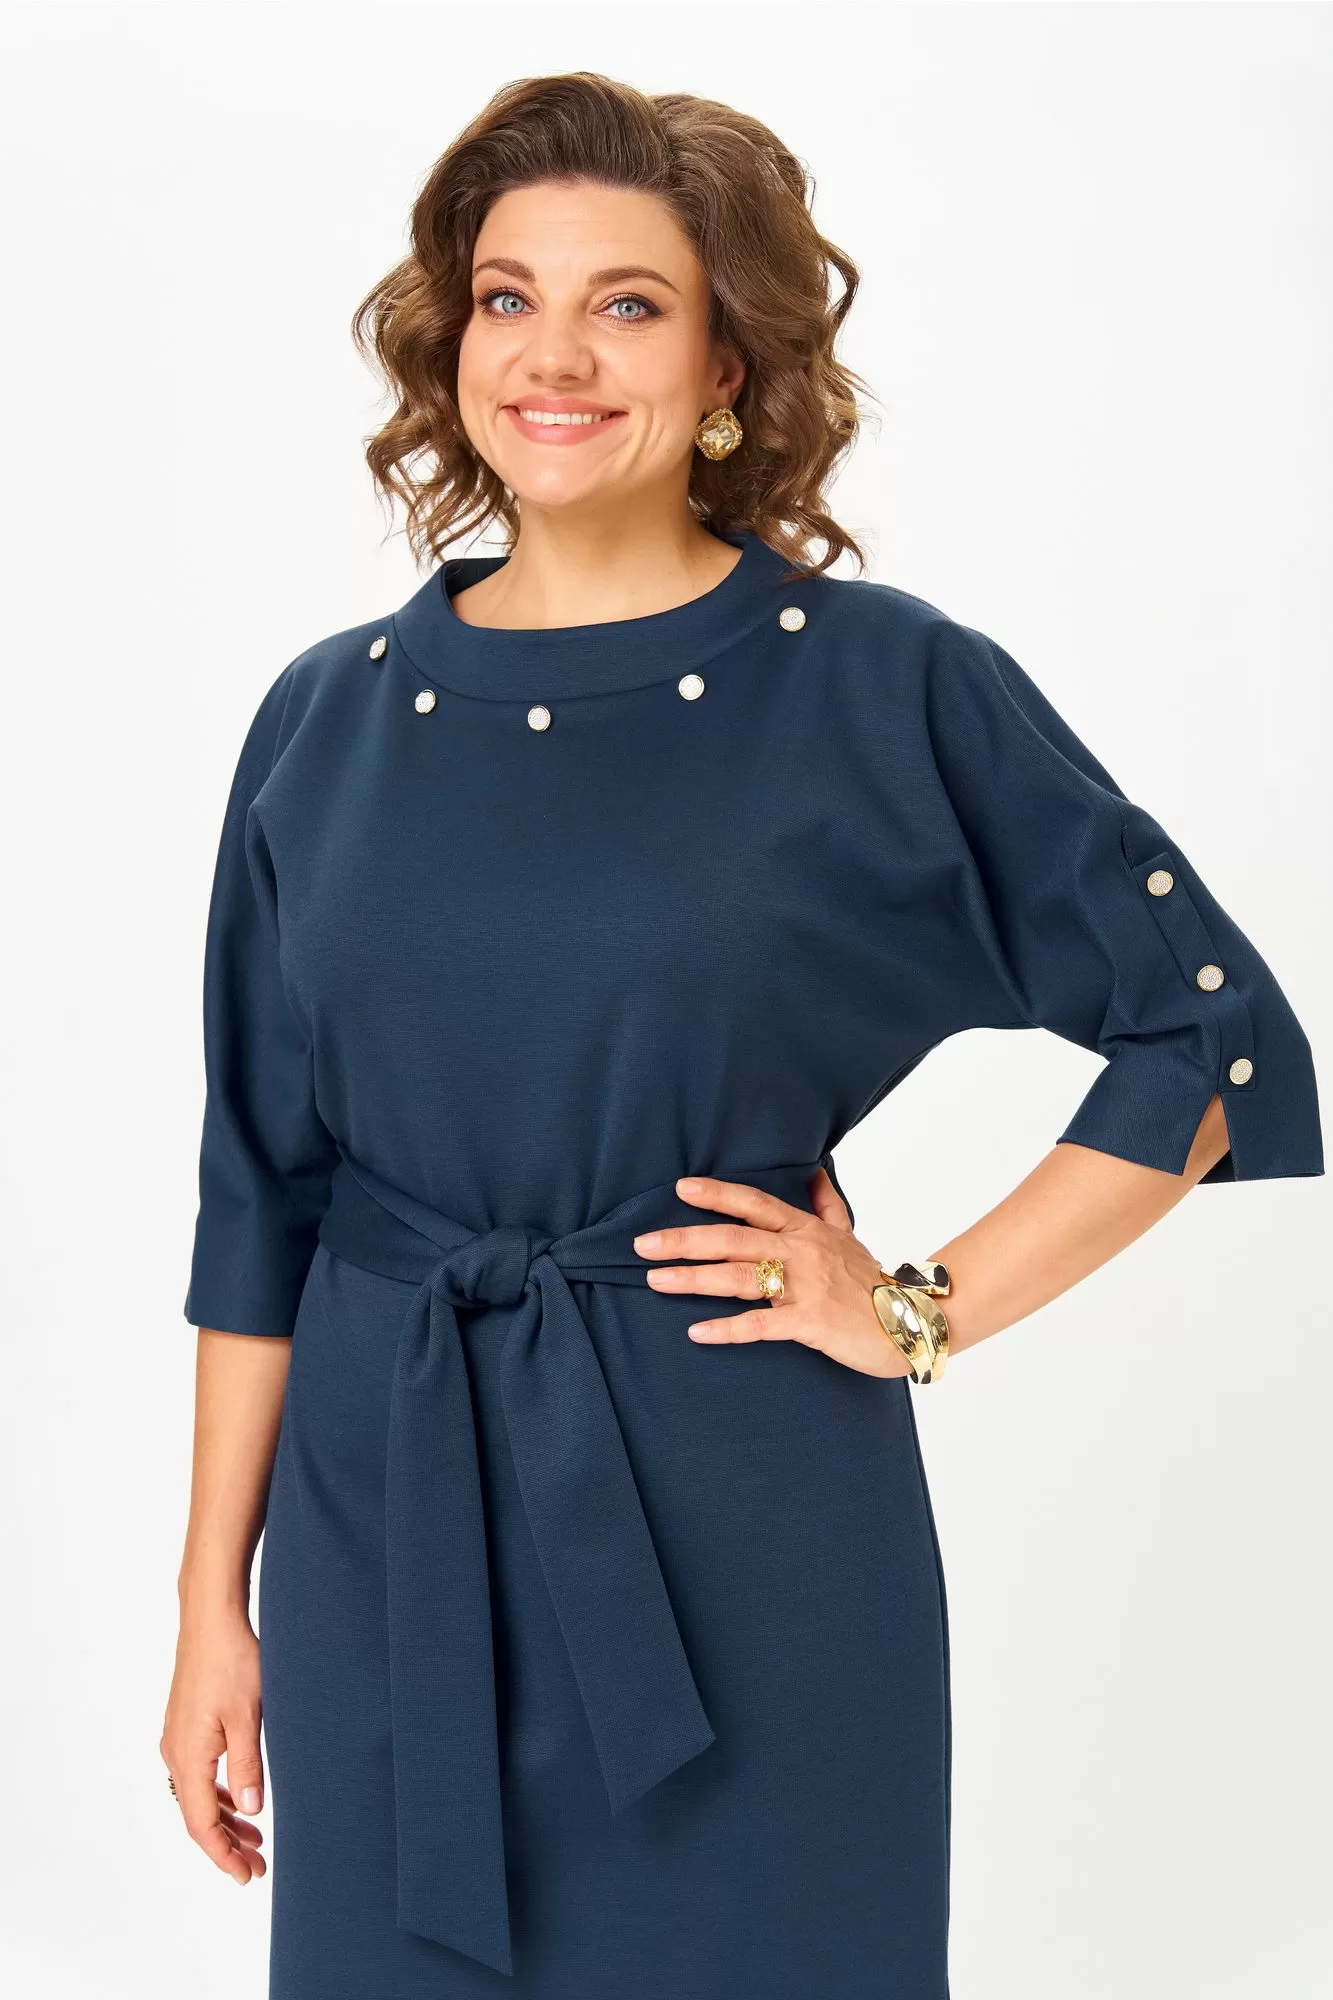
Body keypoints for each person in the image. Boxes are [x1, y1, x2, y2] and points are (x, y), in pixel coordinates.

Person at [161, 71, 1324, 2000]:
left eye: (626, 303)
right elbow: (258, 1194)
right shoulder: (326, 716)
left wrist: (922, 1307)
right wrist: (214, 1599)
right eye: (508, 296)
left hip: (745, 1519)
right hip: (384, 1520)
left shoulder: (879, 684)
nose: (553, 356)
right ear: (451, 342)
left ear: (726, 363)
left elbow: (1206, 1038)